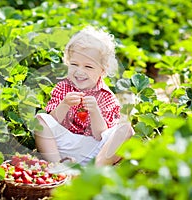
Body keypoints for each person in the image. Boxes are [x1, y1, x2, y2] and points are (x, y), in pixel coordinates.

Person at [34, 26, 134, 168]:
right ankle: (57, 167)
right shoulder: (63, 88)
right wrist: (64, 104)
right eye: (74, 64)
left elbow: (100, 135)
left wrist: (94, 111)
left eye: (88, 67)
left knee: (126, 129)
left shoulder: (106, 97)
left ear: (102, 70)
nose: (80, 71)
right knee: (40, 120)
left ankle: (96, 168)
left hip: (94, 150)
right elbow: (53, 120)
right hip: (64, 147)